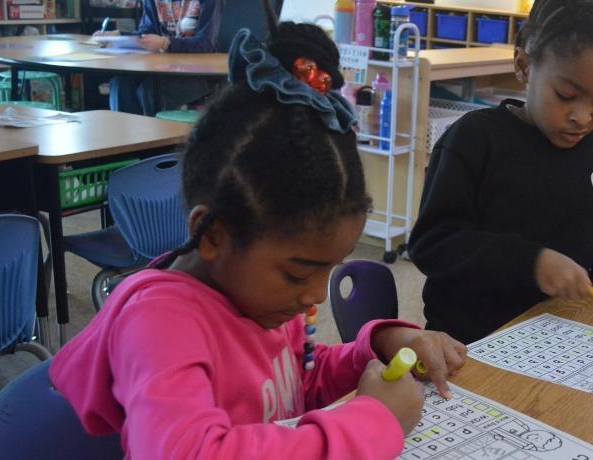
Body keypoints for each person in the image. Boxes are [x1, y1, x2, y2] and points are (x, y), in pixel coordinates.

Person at [52, 4, 467, 457]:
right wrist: (374, 423)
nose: (315, 296)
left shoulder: (261, 300)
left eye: (326, 270)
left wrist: (379, 348)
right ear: (211, 234)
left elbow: (296, 385)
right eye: (296, 273)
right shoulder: (159, 323)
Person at [408, 0, 593, 344]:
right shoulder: (475, 140)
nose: (584, 117)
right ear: (524, 65)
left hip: (560, 331)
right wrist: (530, 262)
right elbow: (432, 244)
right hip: (469, 340)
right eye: (566, 95)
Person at [94, 0, 223, 115]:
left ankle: (156, 140)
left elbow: (206, 43)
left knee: (149, 90)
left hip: (199, 72)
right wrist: (118, 36)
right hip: (161, 68)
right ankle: (127, 140)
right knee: (120, 83)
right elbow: (147, 33)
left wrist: (166, 43)